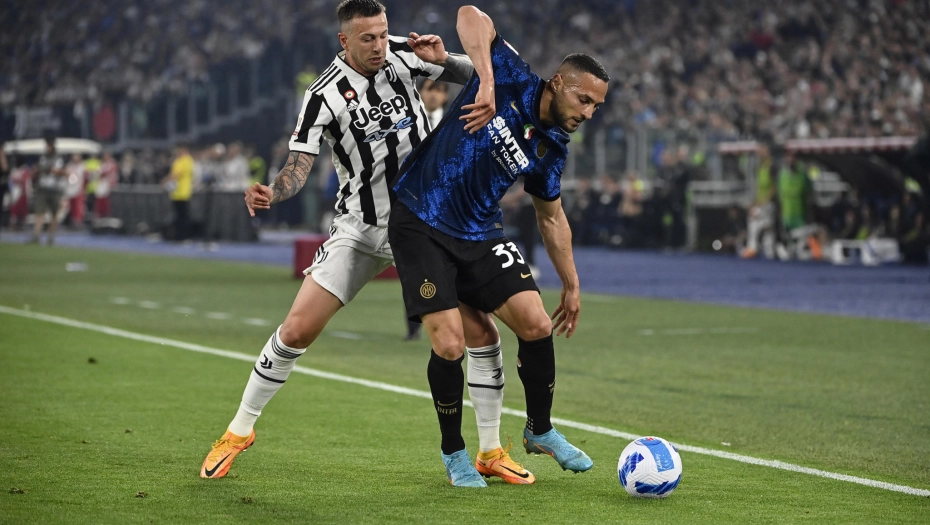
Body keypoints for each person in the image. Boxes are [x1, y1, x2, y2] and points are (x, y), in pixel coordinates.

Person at [201, 0, 534, 486]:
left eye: (382, 34)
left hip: (428, 223)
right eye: (368, 39)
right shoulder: (322, 95)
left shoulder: (404, 52)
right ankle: (237, 432)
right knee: (296, 330)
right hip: (362, 227)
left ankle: (490, 450)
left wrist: (443, 60)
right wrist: (274, 191)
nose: (380, 45)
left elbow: (482, 75)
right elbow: (299, 163)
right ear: (344, 40)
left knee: (481, 333)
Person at [389, 5, 608, 487]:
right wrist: (485, 82)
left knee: (536, 323)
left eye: (596, 106)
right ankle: (455, 454)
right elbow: (470, 14)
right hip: (420, 220)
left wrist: (572, 284)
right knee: (450, 342)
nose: (588, 113)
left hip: (479, 232)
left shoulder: (552, 146)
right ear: (557, 82)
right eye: (584, 99)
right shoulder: (511, 76)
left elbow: (551, 217)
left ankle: (539, 429)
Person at [30, 137, 68, 245]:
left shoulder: (59, 158)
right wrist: (37, 171)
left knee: (54, 214)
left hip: (55, 189)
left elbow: (66, 172)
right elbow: (37, 170)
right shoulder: (43, 158)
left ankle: (51, 237)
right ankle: (36, 235)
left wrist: (54, 171)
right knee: (39, 212)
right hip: (42, 188)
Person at [162, 144, 194, 242]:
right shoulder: (182, 160)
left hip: (182, 192)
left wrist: (165, 180)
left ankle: (183, 237)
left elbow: (176, 174)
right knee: (180, 215)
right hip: (178, 192)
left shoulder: (185, 160)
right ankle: (180, 236)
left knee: (182, 216)